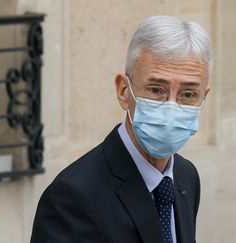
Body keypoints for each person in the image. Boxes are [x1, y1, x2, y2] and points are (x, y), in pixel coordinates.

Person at [30, 15, 212, 243]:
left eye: (188, 94)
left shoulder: (186, 176)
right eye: (156, 90)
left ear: (203, 97)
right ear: (123, 91)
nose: (171, 108)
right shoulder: (72, 197)